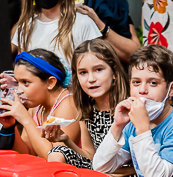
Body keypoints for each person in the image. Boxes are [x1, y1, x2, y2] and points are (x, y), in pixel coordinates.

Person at [93, 44, 173, 177]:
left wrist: (142, 128)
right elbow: (100, 167)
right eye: (136, 82)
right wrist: (117, 126)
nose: (142, 90)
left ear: (171, 89)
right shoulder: (132, 123)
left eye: (153, 83)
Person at [46, 38, 131, 169]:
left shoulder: (128, 107)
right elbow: (90, 156)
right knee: (56, 153)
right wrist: (66, 140)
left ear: (114, 72)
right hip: (100, 170)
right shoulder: (86, 108)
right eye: (83, 72)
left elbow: (139, 163)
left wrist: (110, 176)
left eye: (98, 70)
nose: (91, 79)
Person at [0, 49, 81, 158]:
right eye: (17, 82)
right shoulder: (37, 106)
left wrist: (26, 119)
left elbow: (55, 159)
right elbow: (28, 153)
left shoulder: (68, 104)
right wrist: (11, 126)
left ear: (50, 82)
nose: (19, 90)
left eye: (25, 82)